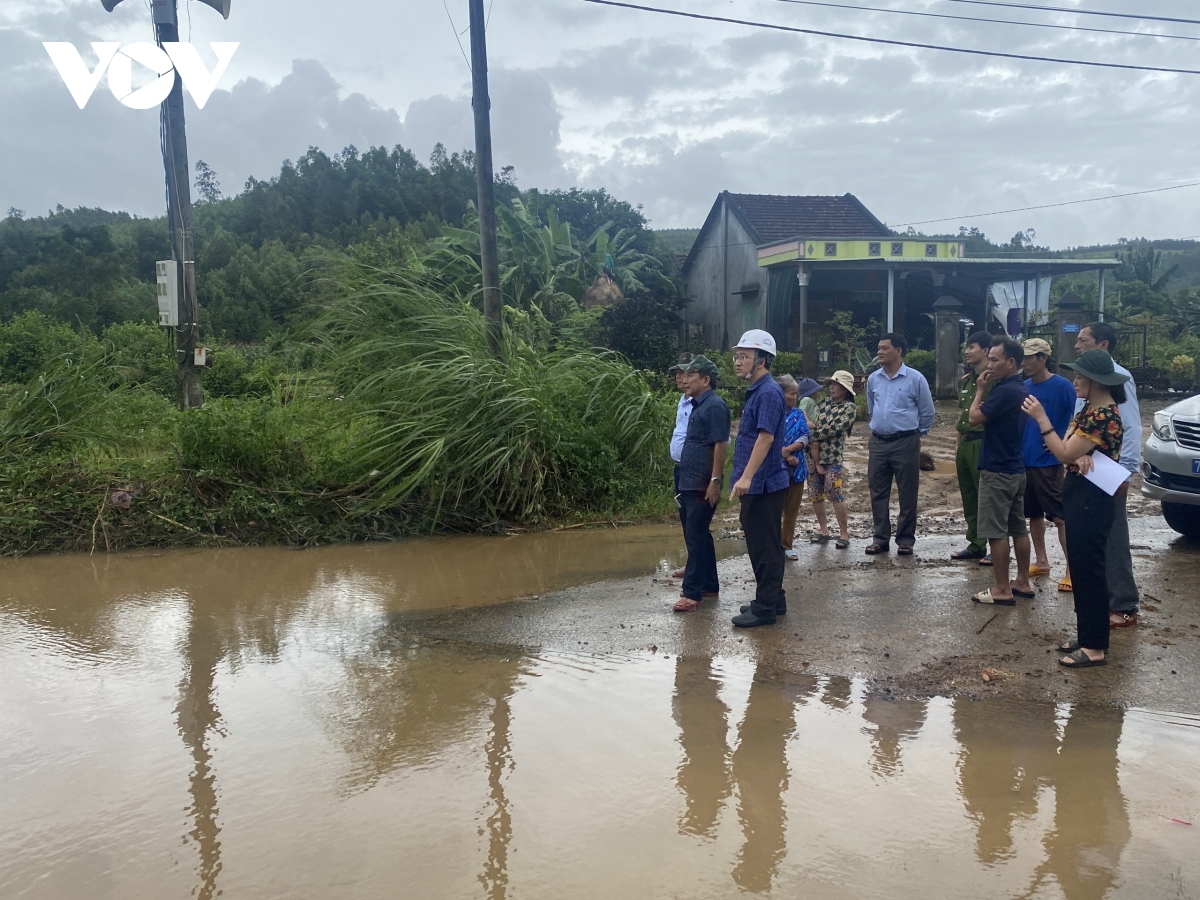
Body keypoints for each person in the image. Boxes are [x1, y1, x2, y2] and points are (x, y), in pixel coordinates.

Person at [1023, 348, 1128, 668]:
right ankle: (1087, 636)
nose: (1076, 381)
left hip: (1093, 496)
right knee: (1081, 568)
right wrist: (1072, 452)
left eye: (1081, 376)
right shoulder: (1090, 410)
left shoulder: (1103, 415)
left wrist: (1044, 420)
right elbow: (1062, 445)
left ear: (1096, 381)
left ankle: (1095, 646)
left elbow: (1063, 449)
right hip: (1081, 490)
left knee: (1090, 569)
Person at [1074, 322, 1142, 628]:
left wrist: (1124, 472)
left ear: (1103, 345)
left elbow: (1130, 424)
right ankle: (1103, 601)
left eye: (1083, 340)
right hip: (1087, 467)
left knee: (1113, 536)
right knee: (1094, 537)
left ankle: (1125, 606)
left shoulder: (1117, 378)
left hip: (1108, 470)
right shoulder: (1086, 379)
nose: (1077, 345)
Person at [728, 329, 790, 628]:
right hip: (760, 482)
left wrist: (746, 478)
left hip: (762, 483)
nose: (737, 362)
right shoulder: (759, 390)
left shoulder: (767, 392)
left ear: (762, 361)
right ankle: (774, 599)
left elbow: (765, 439)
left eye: (744, 357)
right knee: (764, 542)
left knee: (763, 545)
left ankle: (765, 607)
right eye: (737, 356)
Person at [967, 337, 1034, 605]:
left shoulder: (1004, 391)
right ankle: (1023, 582)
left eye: (995, 360)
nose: (990, 364)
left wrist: (980, 390)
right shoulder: (1021, 388)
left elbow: (974, 418)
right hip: (1016, 468)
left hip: (997, 471)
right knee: (1018, 528)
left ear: (1011, 362)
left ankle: (1002, 589)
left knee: (996, 531)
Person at [865, 332, 936, 556]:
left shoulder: (915, 378)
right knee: (877, 491)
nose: (880, 352)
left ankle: (905, 540)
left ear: (898, 351)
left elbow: (927, 412)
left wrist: (916, 434)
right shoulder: (874, 379)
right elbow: (871, 408)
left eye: (885, 348)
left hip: (905, 442)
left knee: (907, 492)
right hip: (878, 442)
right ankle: (880, 538)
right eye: (879, 348)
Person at [672, 356, 730, 612]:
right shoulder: (698, 405)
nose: (685, 379)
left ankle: (691, 592)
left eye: (691, 375)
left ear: (705, 380)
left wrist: (714, 480)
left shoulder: (714, 406)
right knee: (700, 535)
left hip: (701, 482)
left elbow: (720, 444)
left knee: (695, 536)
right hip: (690, 479)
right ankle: (709, 584)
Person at [1020, 338, 1075, 589]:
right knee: (1033, 513)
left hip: (1050, 459)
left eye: (1029, 358)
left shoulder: (1063, 386)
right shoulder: (1025, 386)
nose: (1024, 363)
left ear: (1043, 358)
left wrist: (1063, 440)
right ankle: (1041, 561)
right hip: (1025, 458)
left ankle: (1071, 568)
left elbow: (1077, 418)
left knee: (1060, 516)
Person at [952, 332, 995, 562]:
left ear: (986, 351)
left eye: (972, 347)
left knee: (987, 497)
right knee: (969, 495)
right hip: (966, 442)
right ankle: (976, 543)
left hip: (983, 441)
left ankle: (997, 547)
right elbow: (963, 414)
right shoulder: (969, 379)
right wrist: (958, 445)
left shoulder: (993, 380)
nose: (967, 351)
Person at [807, 370, 857, 549]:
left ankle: (844, 533)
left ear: (845, 389)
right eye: (831, 384)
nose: (832, 387)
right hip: (813, 455)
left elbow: (834, 428)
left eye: (836, 385)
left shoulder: (850, 408)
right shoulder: (823, 403)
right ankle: (823, 530)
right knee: (815, 492)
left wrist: (812, 436)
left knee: (835, 492)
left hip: (833, 456)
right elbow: (812, 419)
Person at [776, 375, 811, 561]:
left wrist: (789, 450)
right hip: (775, 469)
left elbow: (805, 436)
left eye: (796, 394)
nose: (795, 397)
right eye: (791, 394)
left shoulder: (798, 414)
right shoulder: (773, 413)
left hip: (797, 470)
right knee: (774, 509)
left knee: (792, 509)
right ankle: (773, 545)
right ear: (781, 395)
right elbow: (767, 438)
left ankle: (787, 544)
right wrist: (785, 455)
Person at [668, 353, 693, 580]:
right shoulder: (683, 400)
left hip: (693, 470)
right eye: (677, 373)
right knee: (685, 516)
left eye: (684, 373)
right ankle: (692, 561)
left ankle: (697, 567)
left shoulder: (701, 402)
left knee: (694, 519)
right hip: (679, 467)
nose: (679, 377)